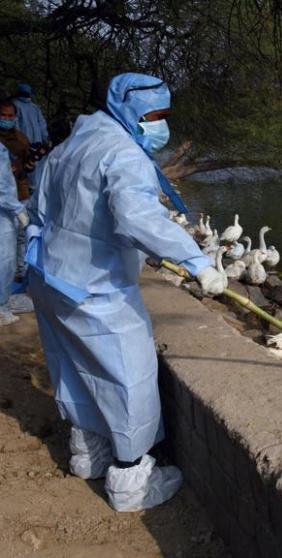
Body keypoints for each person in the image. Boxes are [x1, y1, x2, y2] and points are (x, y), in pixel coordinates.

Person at [25, 72, 226, 512]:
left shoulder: (71, 146)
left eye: (164, 116)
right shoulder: (122, 154)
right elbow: (137, 218)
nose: (161, 125)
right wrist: (197, 262)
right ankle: (132, 481)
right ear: (131, 111)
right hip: (93, 288)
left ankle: (88, 455)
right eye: (155, 116)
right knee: (128, 373)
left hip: (49, 276)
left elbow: (39, 206)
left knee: (75, 369)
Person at [0, 144, 27, 326]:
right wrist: (17, 209)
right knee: (4, 260)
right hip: (3, 213)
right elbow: (1, 186)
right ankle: (1, 306)